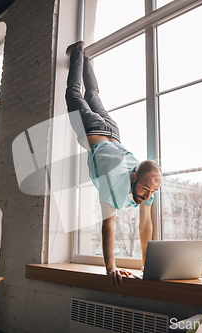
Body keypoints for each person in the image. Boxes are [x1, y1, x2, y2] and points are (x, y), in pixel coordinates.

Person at [65, 41, 163, 287]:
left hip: (112, 131)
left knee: (94, 95)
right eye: (145, 189)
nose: (148, 195)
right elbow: (108, 227)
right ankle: (77, 53)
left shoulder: (146, 185)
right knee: (74, 94)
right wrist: (112, 268)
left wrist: (146, 265)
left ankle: (85, 60)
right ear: (133, 177)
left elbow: (145, 225)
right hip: (93, 128)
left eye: (152, 191)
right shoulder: (113, 182)